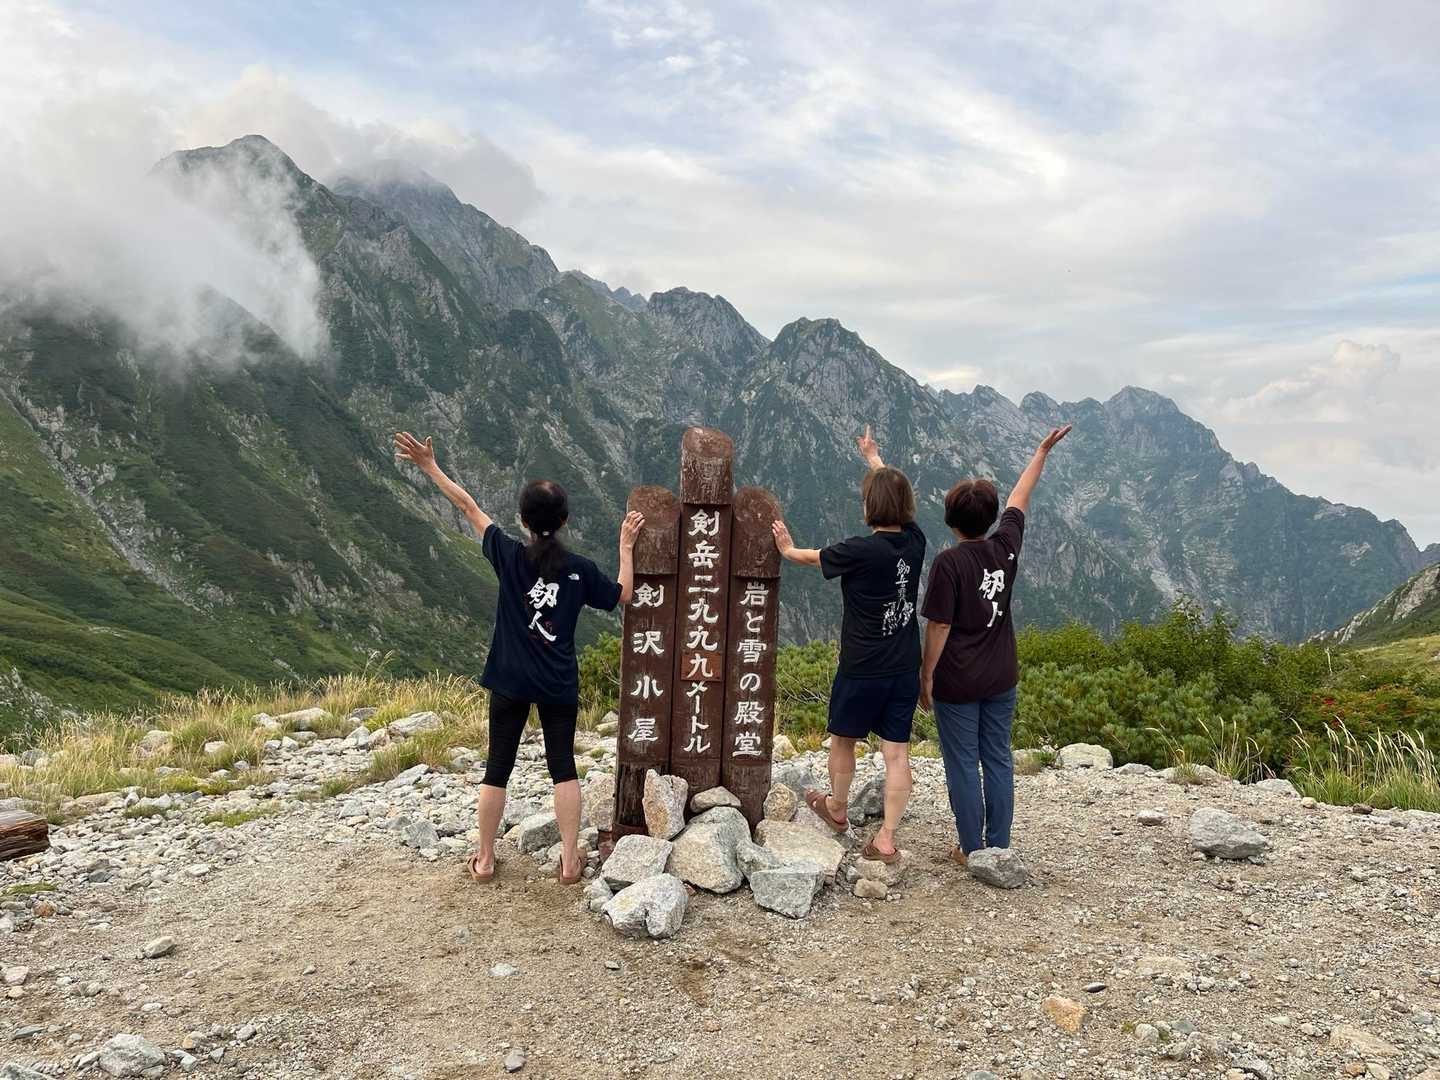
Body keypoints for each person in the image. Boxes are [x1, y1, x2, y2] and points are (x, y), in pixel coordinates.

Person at [393, 431, 643, 885]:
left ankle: (486, 858)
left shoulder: (508, 555)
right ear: (564, 521)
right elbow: (623, 595)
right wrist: (626, 546)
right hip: (557, 683)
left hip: (509, 679)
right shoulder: (580, 570)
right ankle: (570, 861)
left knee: (498, 767)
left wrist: (429, 466)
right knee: (563, 767)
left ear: (523, 521)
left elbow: (468, 507)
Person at [770, 426, 925, 864]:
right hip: (904, 667)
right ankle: (886, 839)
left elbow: (811, 557)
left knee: (843, 739)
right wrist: (874, 458)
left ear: (869, 507)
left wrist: (786, 548)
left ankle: (837, 808)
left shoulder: (859, 550)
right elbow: (896, 499)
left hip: (861, 668)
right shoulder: (915, 541)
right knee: (896, 753)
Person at [919, 424, 1071, 864]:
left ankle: (972, 848)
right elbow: (1020, 498)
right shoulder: (1005, 546)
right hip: (1002, 675)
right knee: (998, 758)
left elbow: (939, 626)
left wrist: (926, 676)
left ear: (950, 520)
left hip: (958, 681)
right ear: (990, 518)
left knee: (963, 762)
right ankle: (999, 844)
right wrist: (1041, 452)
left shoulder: (948, 563)